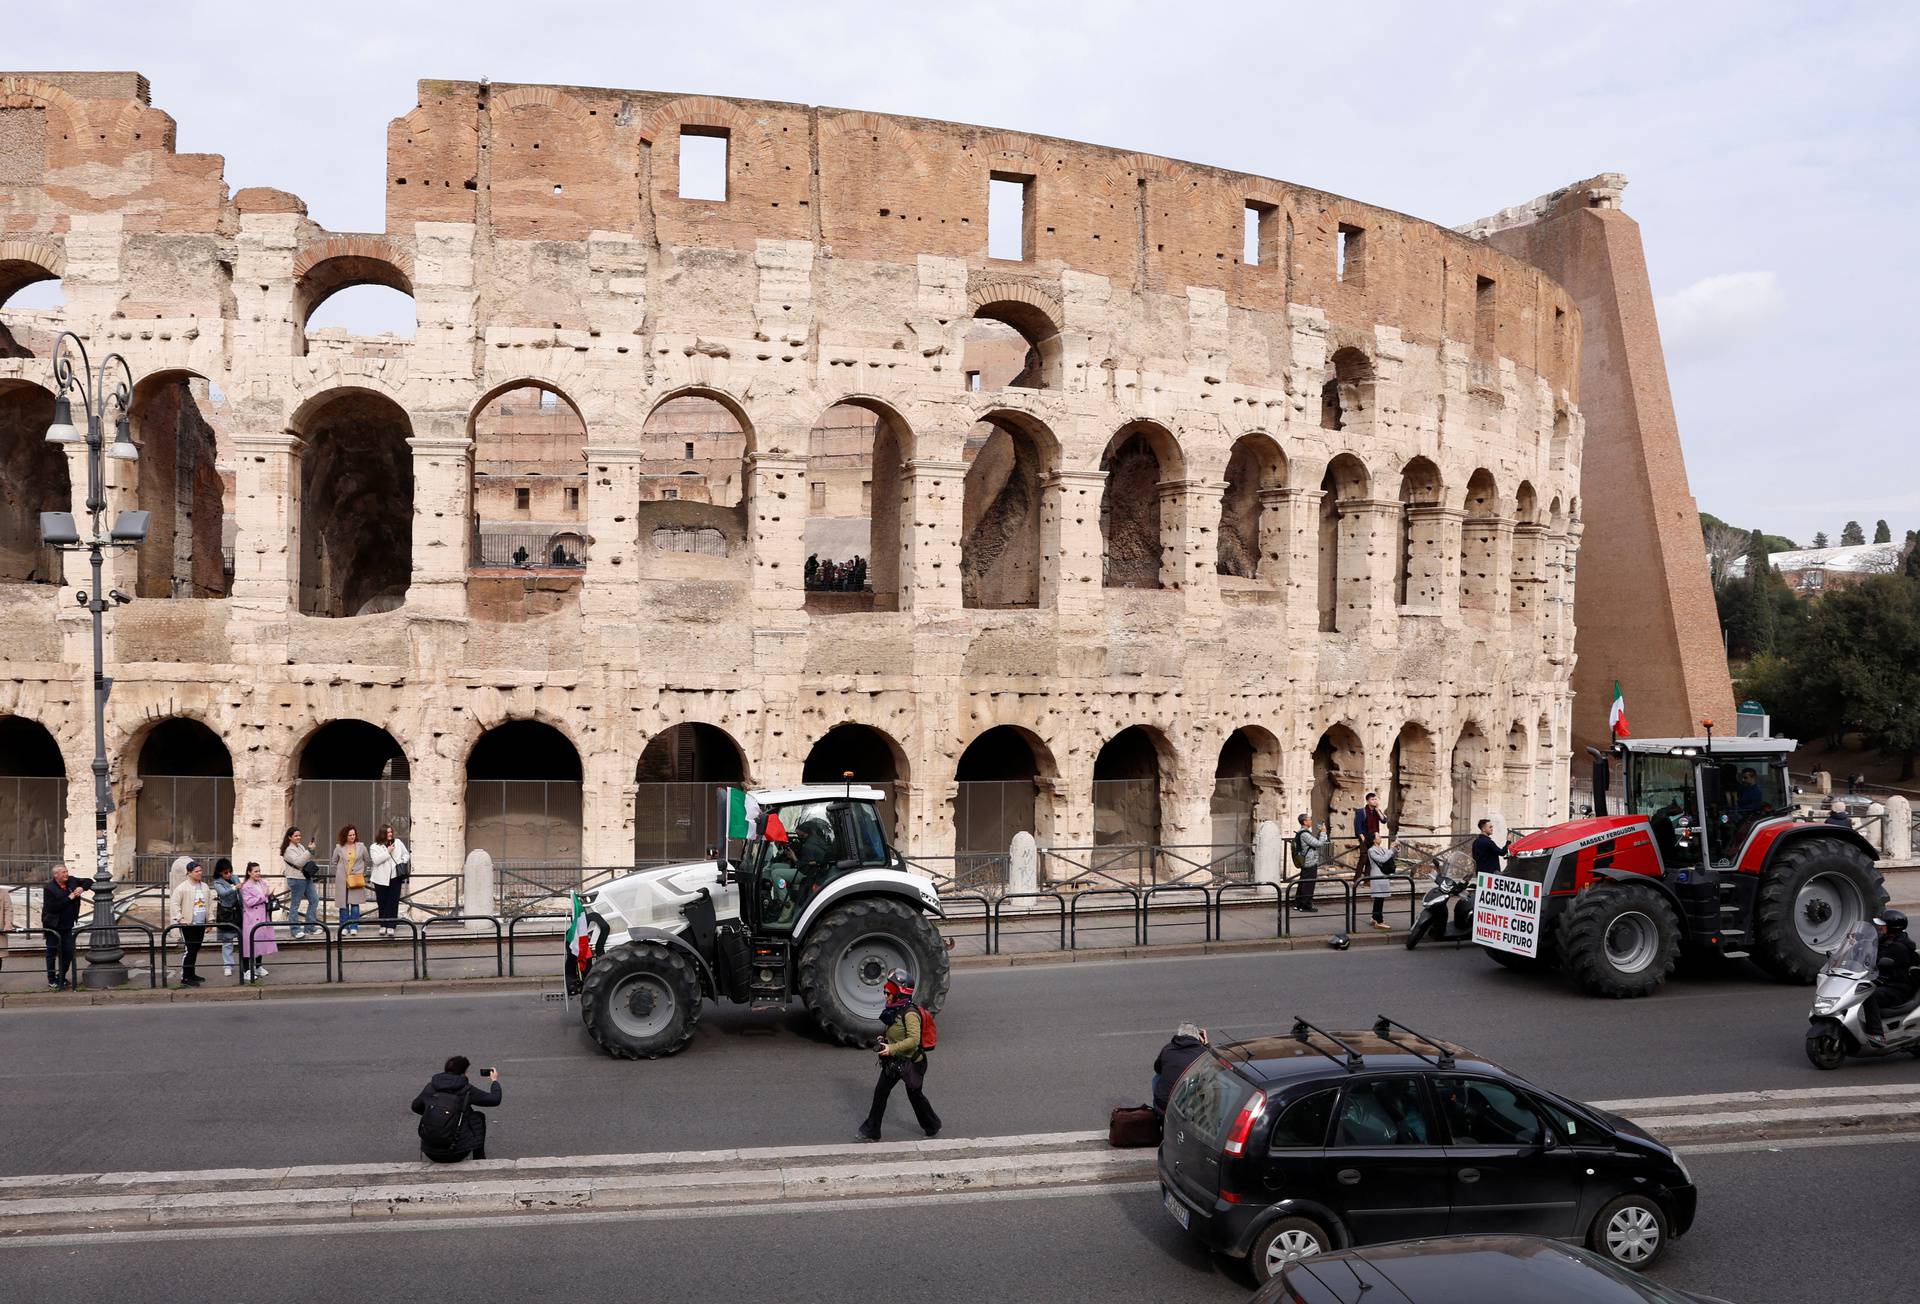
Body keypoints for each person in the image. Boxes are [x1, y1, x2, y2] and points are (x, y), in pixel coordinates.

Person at [858, 968, 940, 1141]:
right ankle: (871, 1131)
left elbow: (913, 1040)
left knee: (915, 1096)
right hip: (894, 1062)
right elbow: (895, 1030)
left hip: (912, 1062)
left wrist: (891, 1049)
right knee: (881, 1092)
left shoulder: (910, 1014)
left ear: (900, 993)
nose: (886, 993)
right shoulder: (894, 1009)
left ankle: (932, 1126)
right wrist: (885, 1039)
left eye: (890, 990)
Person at [411, 1056, 503, 1162]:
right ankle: (479, 1157)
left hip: (429, 1152)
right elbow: (495, 1099)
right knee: (478, 1117)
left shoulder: (431, 1087)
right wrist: (494, 1081)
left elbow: (415, 1107)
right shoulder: (466, 1089)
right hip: (457, 1153)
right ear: (464, 1072)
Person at [1865, 911, 1919, 1047]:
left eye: (1883, 926)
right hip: (1886, 982)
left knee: (1868, 995)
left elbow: (1876, 960)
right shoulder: (1887, 939)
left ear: (1893, 928)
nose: (1880, 928)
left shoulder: (1899, 948)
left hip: (1898, 988)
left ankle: (1877, 1034)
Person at [40, 862, 97, 990]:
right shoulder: (49, 888)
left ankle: (61, 977)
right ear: (56, 875)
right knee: (51, 952)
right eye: (63, 872)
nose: (66, 874)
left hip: (67, 925)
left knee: (69, 952)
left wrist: (82, 888)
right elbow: (52, 908)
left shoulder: (71, 881)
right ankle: (51, 980)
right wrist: (69, 897)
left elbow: (88, 881)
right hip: (53, 926)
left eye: (66, 871)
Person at [169, 857, 212, 987]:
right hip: (188, 924)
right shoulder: (182, 888)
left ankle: (192, 974)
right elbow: (174, 903)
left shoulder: (204, 887)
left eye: (200, 871)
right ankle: (185, 977)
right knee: (190, 950)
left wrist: (210, 920)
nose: (200, 873)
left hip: (201, 923)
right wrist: (180, 918)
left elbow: (209, 904)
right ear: (189, 873)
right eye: (197, 871)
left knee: (196, 949)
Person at [1152, 1023, 1209, 1115]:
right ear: (1198, 1037)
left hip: (1162, 1106)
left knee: (1157, 1077)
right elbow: (1216, 1067)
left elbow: (1157, 1069)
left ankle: (1157, 1115)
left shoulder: (1168, 1048)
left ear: (1179, 1035)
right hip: (1185, 1109)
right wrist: (1206, 1045)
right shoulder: (1203, 1053)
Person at [368, 824, 410, 939]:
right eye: (388, 832)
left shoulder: (398, 842)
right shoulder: (374, 846)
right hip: (380, 879)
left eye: (391, 832)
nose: (390, 834)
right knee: (382, 902)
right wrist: (388, 851)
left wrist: (402, 860)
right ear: (382, 834)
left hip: (395, 877)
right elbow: (376, 861)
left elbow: (406, 854)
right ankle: (383, 924)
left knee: (393, 901)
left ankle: (391, 925)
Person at [239, 862, 279, 982]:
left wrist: (270, 893)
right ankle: (246, 970)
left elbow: (267, 893)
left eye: (259, 871)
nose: (258, 873)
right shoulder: (246, 886)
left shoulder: (262, 883)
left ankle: (258, 966)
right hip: (251, 918)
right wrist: (265, 895)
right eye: (255, 871)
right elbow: (249, 902)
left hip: (263, 915)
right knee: (248, 944)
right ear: (249, 872)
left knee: (260, 942)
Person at [280, 827, 320, 938]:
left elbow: (305, 859)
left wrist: (310, 850)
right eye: (296, 836)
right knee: (295, 905)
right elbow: (299, 862)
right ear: (289, 837)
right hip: (296, 879)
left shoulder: (301, 846)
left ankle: (309, 927)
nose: (298, 837)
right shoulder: (288, 850)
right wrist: (309, 851)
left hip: (306, 877)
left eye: (299, 835)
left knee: (314, 899)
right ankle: (295, 930)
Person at [332, 824, 368, 937]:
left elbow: (366, 860)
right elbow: (334, 862)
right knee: (343, 904)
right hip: (342, 879)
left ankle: (354, 927)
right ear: (345, 836)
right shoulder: (339, 847)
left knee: (355, 904)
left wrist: (362, 872)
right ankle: (344, 926)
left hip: (356, 878)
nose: (352, 837)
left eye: (354, 834)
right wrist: (338, 873)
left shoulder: (361, 847)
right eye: (350, 835)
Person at [1293, 814, 1330, 913]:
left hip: (1306, 861)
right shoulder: (1304, 834)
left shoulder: (1303, 832)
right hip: (1310, 862)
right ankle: (1306, 905)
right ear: (1304, 822)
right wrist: (1323, 832)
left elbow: (1315, 841)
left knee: (1303, 883)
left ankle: (1298, 904)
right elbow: (1319, 843)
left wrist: (1321, 833)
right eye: (1309, 820)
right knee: (1308, 884)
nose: (1311, 821)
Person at [212, 859, 242, 977]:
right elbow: (223, 893)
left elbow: (242, 894)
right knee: (227, 941)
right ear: (220, 872)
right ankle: (227, 965)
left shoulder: (235, 878)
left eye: (230, 871)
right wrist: (235, 888)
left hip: (238, 911)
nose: (229, 874)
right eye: (225, 872)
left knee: (243, 938)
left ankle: (245, 964)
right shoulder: (217, 882)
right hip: (226, 912)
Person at [1364, 834, 1396, 931]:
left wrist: (1395, 847)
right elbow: (1382, 859)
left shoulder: (1382, 849)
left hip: (1383, 876)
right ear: (1374, 840)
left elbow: (1390, 855)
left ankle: (1374, 918)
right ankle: (1379, 921)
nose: (1380, 838)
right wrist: (1391, 849)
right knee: (1378, 898)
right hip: (1377, 876)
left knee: (1380, 899)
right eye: (1378, 836)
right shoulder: (1371, 850)